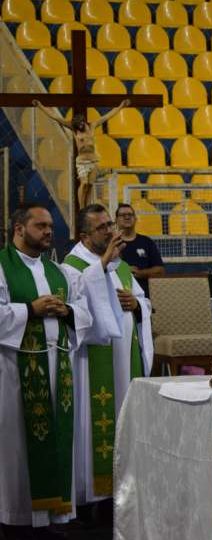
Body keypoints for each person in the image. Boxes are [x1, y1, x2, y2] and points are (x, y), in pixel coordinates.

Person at [0, 203, 100, 536]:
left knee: (56, 438)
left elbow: (85, 313)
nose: (48, 232)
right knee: (17, 448)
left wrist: (67, 310)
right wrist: (30, 309)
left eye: (49, 227)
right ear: (19, 229)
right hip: (14, 373)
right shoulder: (2, 267)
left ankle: (52, 517)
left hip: (59, 370)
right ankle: (17, 517)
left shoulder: (60, 272)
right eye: (40, 226)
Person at [62, 204, 154, 511]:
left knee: (124, 419)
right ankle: (91, 497)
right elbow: (77, 304)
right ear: (85, 235)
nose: (111, 231)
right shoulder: (72, 265)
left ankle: (121, 491)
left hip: (124, 358)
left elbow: (143, 302)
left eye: (110, 225)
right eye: (102, 227)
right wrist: (102, 264)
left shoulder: (121, 266)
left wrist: (137, 305)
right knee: (96, 424)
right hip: (92, 364)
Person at [33, 99, 130, 207]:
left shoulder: (92, 126)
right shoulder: (74, 129)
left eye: (82, 124)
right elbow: (55, 117)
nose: (80, 127)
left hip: (93, 160)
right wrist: (40, 106)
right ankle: (81, 207)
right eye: (78, 126)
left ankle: (87, 205)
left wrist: (121, 106)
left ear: (84, 122)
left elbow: (107, 116)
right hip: (82, 161)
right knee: (83, 183)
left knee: (90, 184)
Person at [116, 203, 164, 296]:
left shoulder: (146, 242)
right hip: (119, 297)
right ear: (116, 220)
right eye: (122, 215)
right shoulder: (111, 243)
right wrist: (124, 271)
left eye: (130, 215)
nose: (127, 217)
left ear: (135, 219)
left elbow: (160, 270)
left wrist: (140, 273)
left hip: (144, 298)